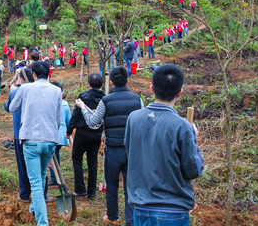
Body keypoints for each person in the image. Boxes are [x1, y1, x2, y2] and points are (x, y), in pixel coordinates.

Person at [126, 64, 204, 226]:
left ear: (152, 88)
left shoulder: (134, 118)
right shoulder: (182, 126)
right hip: (173, 210)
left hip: (140, 208)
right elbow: (193, 170)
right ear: (179, 93)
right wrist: (193, 139)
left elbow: (131, 153)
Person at [76, 66, 144, 226]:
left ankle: (113, 217)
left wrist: (83, 110)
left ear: (111, 82)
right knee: (130, 186)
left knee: (112, 185)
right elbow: (143, 122)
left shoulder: (106, 101)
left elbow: (94, 122)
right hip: (132, 150)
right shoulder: (137, 100)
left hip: (113, 150)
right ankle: (131, 220)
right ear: (127, 80)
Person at [9, 61, 62, 226]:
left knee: (36, 184)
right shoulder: (57, 90)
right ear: (48, 74)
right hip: (50, 140)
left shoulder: (25, 88)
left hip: (31, 141)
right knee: (40, 175)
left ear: (33, 74)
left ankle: (42, 222)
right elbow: (58, 118)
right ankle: (34, 207)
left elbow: (12, 108)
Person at [66, 73, 105, 198]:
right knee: (92, 161)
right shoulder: (104, 98)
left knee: (77, 158)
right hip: (96, 133)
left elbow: (76, 114)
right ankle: (92, 192)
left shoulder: (83, 96)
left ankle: (80, 189)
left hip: (83, 133)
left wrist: (69, 130)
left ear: (89, 84)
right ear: (101, 85)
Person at [4, 67, 35, 201]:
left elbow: (7, 108)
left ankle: (24, 194)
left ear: (21, 79)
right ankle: (40, 193)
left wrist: (12, 91)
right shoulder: (38, 92)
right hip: (36, 134)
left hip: (20, 135)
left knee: (22, 165)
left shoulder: (16, 92)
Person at [48, 82, 71, 187]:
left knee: (52, 156)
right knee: (56, 155)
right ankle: (57, 178)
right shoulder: (65, 104)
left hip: (52, 132)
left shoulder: (49, 103)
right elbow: (68, 120)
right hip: (62, 134)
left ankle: (55, 179)